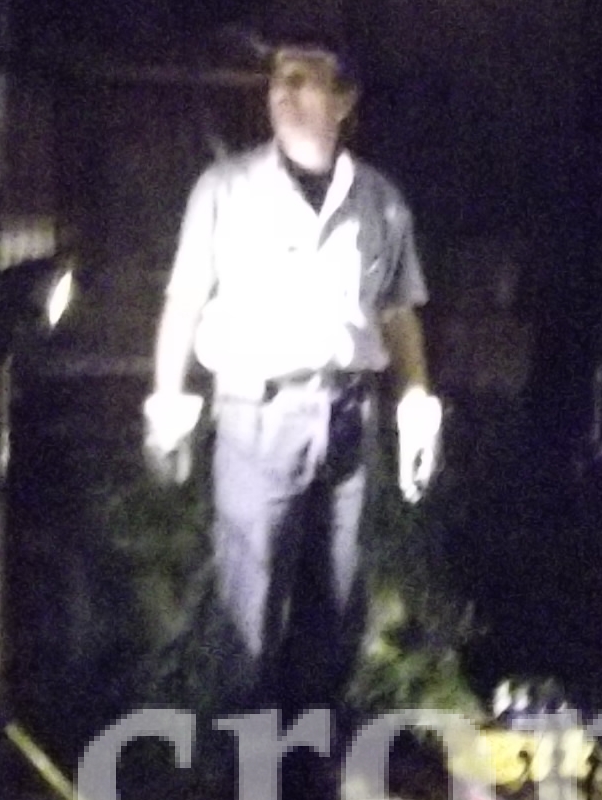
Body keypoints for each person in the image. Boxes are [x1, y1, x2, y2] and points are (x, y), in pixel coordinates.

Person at [142, 40, 442, 725]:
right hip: (257, 415)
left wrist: (418, 402)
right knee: (250, 605)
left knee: (334, 605)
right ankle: (244, 782)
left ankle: (310, 771)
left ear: (344, 101)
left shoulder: (380, 202)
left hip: (345, 419)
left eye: (306, 81)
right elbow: (184, 301)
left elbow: (398, 312)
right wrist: (167, 400)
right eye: (280, 79)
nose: (285, 92)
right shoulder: (226, 190)